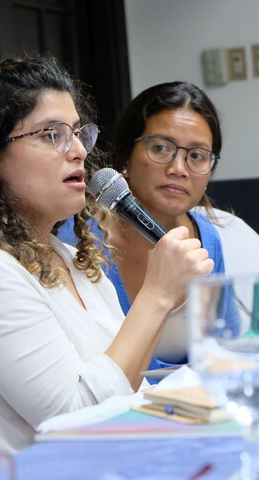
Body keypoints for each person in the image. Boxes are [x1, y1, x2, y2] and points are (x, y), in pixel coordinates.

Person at [0, 56, 213, 475]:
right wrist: (159, 295)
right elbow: (76, 421)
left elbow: (129, 390)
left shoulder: (70, 259)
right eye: (52, 135)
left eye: (77, 133)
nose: (77, 151)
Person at [58, 81, 237, 370]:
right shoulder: (77, 236)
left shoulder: (207, 239)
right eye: (160, 148)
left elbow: (226, 349)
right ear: (127, 156)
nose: (178, 168)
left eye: (197, 156)